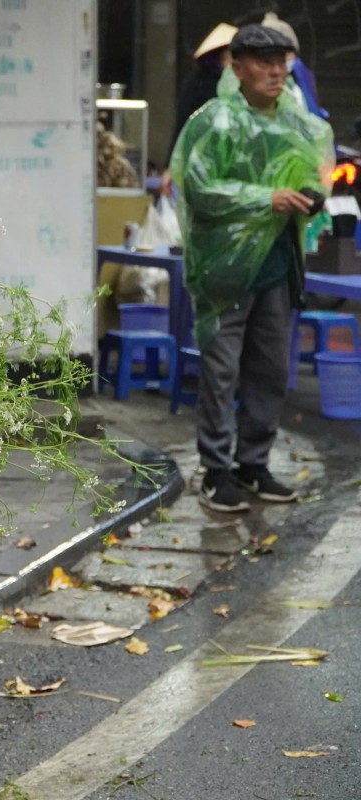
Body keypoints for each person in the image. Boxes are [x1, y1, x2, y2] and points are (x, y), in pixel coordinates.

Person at [170, 25, 333, 513]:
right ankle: (216, 470)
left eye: (281, 61)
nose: (275, 70)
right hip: (224, 271)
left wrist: (310, 196)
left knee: (269, 370)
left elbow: (309, 175)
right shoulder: (214, 122)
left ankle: (254, 465)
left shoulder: (299, 124)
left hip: (279, 267)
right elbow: (199, 189)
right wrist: (266, 198)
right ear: (235, 67)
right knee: (221, 372)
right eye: (263, 62)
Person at [159, 22, 237, 198]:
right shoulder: (196, 84)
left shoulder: (240, 86)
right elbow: (182, 123)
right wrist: (169, 168)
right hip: (200, 160)